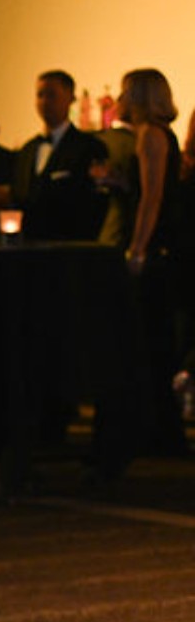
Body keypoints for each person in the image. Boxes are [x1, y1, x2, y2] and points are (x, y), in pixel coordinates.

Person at [115, 68, 186, 454]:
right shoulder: (162, 136)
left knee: (149, 341)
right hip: (164, 249)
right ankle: (160, 428)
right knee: (156, 341)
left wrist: (137, 249)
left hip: (154, 251)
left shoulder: (148, 136)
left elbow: (152, 197)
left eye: (126, 92)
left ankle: (157, 430)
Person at [11, 70, 108, 241]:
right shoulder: (28, 150)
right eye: (40, 95)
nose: (44, 102)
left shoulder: (88, 147)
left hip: (68, 248)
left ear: (71, 99)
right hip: (28, 248)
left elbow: (94, 206)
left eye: (51, 95)